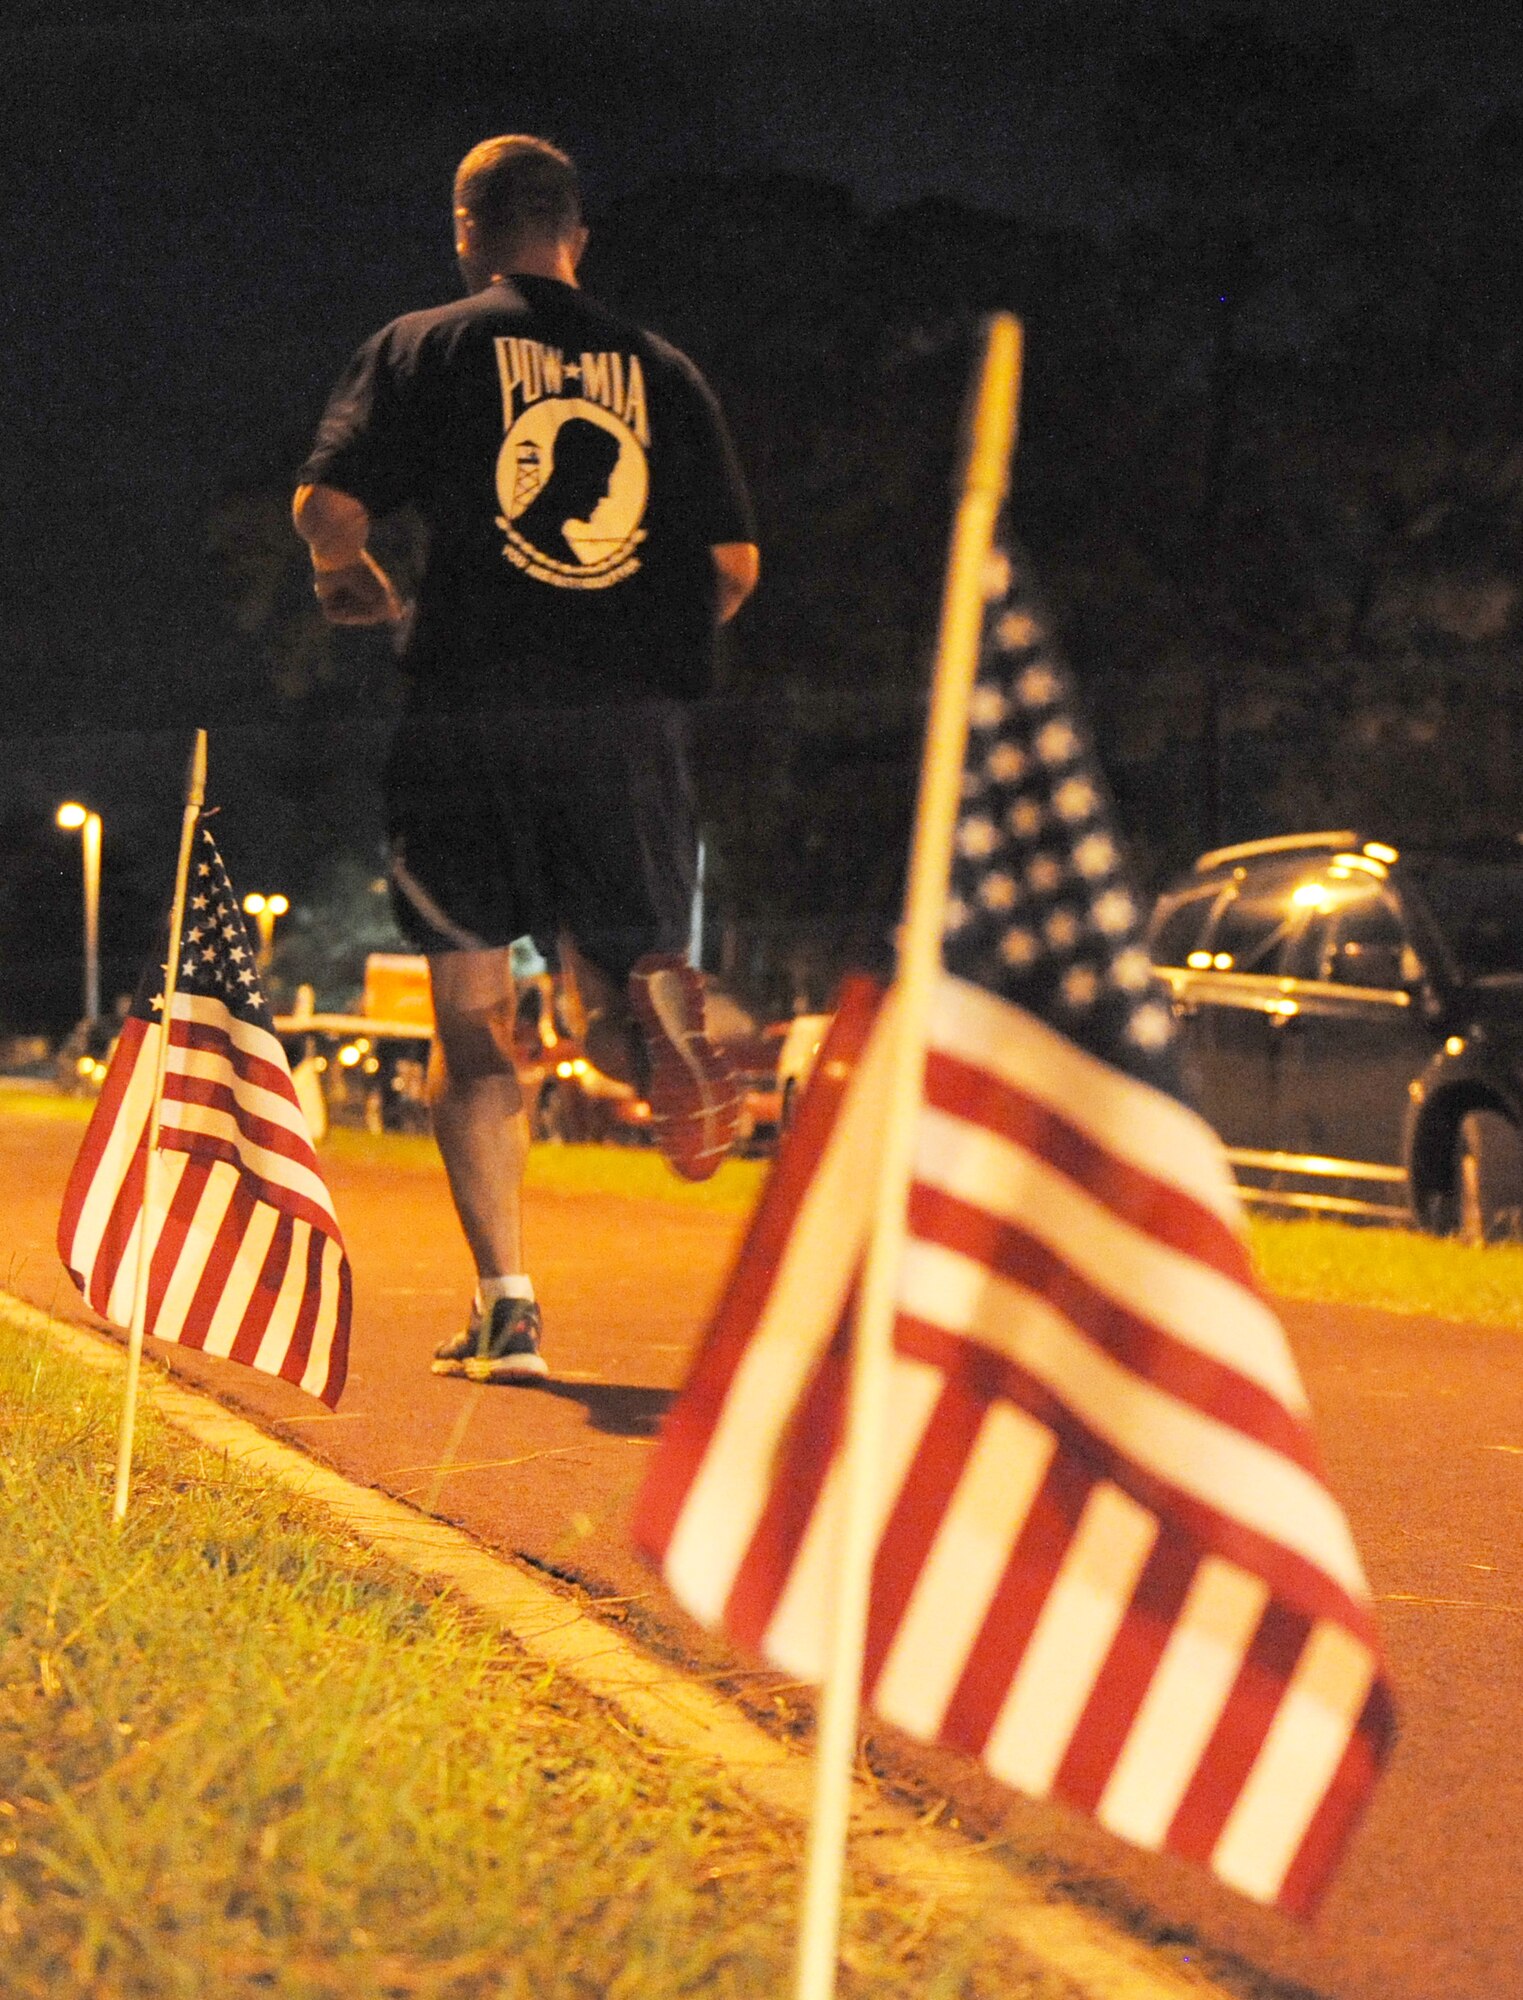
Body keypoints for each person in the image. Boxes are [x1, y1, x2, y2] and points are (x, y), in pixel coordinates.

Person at [292, 134, 759, 1384]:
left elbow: (328, 508)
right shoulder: (662, 368)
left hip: (467, 714)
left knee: (474, 1017)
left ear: (465, 229)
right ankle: (667, 1025)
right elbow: (730, 569)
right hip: (624, 724)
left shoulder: (423, 345)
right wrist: (624, 636)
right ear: (575, 234)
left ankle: (507, 1306)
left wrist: (351, 579)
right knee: (607, 1010)